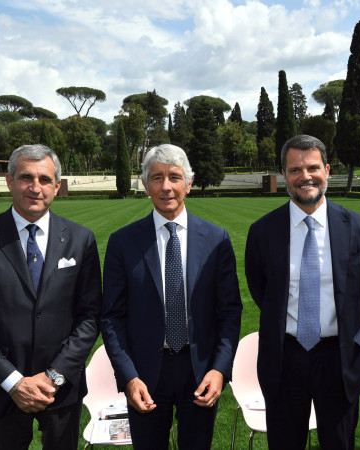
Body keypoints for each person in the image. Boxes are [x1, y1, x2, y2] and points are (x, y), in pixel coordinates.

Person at [0, 144, 102, 449]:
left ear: (57, 187)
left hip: (60, 389)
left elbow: (90, 315)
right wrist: (14, 382)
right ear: (9, 181)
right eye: (25, 177)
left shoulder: (81, 239)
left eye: (45, 179)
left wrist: (54, 377)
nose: (35, 188)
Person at [101, 144, 242, 450]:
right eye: (157, 178)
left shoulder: (216, 240)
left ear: (188, 183)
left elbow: (230, 312)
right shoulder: (123, 242)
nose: (166, 187)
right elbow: (112, 317)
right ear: (145, 184)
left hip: (200, 371)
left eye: (175, 177)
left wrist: (219, 370)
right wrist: (128, 376)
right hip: (145, 375)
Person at [245, 134, 360, 449]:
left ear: (328, 170)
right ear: (285, 176)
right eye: (295, 170)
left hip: (339, 359)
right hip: (284, 360)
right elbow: (260, 290)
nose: (305, 177)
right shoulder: (263, 232)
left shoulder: (358, 228)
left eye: (313, 168)